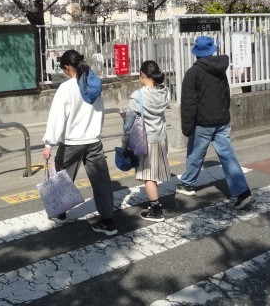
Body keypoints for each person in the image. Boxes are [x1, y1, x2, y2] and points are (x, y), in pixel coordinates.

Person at [42, 50, 117, 236]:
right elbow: (100, 111)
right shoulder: (94, 84)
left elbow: (57, 117)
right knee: (101, 182)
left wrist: (49, 143)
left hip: (71, 142)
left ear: (68, 67)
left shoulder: (66, 88)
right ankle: (108, 221)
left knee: (62, 177)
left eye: (63, 69)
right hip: (94, 140)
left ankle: (60, 214)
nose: (64, 73)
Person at [177, 36, 255, 210]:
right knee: (228, 156)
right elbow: (226, 93)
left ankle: (187, 184)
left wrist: (186, 127)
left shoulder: (193, 73)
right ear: (212, 51)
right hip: (222, 120)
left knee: (195, 153)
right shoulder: (220, 69)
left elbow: (189, 103)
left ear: (197, 53)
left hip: (203, 122)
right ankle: (243, 193)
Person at [120, 60, 170, 222]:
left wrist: (124, 144)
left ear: (142, 75)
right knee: (154, 173)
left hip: (145, 140)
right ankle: (154, 204)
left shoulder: (138, 96)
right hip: (161, 137)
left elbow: (128, 125)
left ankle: (156, 210)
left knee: (148, 176)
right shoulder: (164, 92)